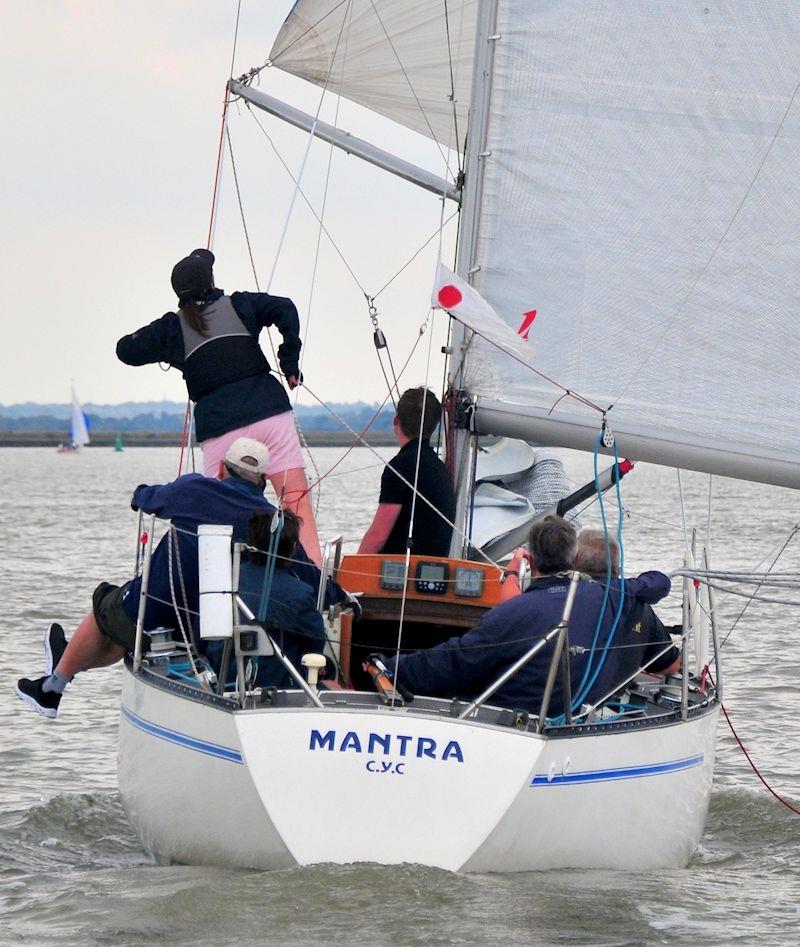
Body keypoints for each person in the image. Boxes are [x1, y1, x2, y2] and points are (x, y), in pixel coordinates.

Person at [14, 438, 348, 719]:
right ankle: (62, 663)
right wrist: (344, 595)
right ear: (262, 481)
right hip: (207, 631)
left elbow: (142, 499)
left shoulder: (195, 489)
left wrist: (147, 493)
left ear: (221, 469)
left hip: (158, 608)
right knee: (121, 641)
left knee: (105, 606)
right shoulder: (267, 521)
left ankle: (52, 687)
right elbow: (308, 575)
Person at [115, 248, 321, 564]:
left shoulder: (172, 328)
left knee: (219, 516)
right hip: (269, 414)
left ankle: (222, 594)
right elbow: (285, 308)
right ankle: (313, 582)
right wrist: (289, 362)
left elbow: (125, 350)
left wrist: (163, 346)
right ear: (212, 282)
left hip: (220, 429)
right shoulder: (240, 304)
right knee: (294, 503)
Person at [380, 516, 675, 714]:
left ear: (530, 561)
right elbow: (660, 582)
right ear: (572, 558)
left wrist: (393, 666)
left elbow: (456, 659)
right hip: (575, 714)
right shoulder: (616, 596)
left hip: (509, 718)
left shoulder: (515, 612)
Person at [210, 508, 329, 689]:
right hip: (276, 687)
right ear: (293, 548)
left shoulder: (222, 581)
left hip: (223, 680)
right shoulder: (299, 594)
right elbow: (314, 644)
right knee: (330, 681)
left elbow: (202, 634)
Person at [358, 387, 455, 557]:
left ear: (396, 420)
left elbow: (377, 537)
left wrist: (350, 573)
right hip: (434, 567)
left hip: (400, 575)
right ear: (433, 426)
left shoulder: (399, 468)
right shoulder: (440, 468)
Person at [573, 529, 681, 680]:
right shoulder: (635, 600)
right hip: (612, 697)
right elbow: (671, 665)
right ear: (617, 569)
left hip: (563, 694)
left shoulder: (561, 599)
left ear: (574, 560)